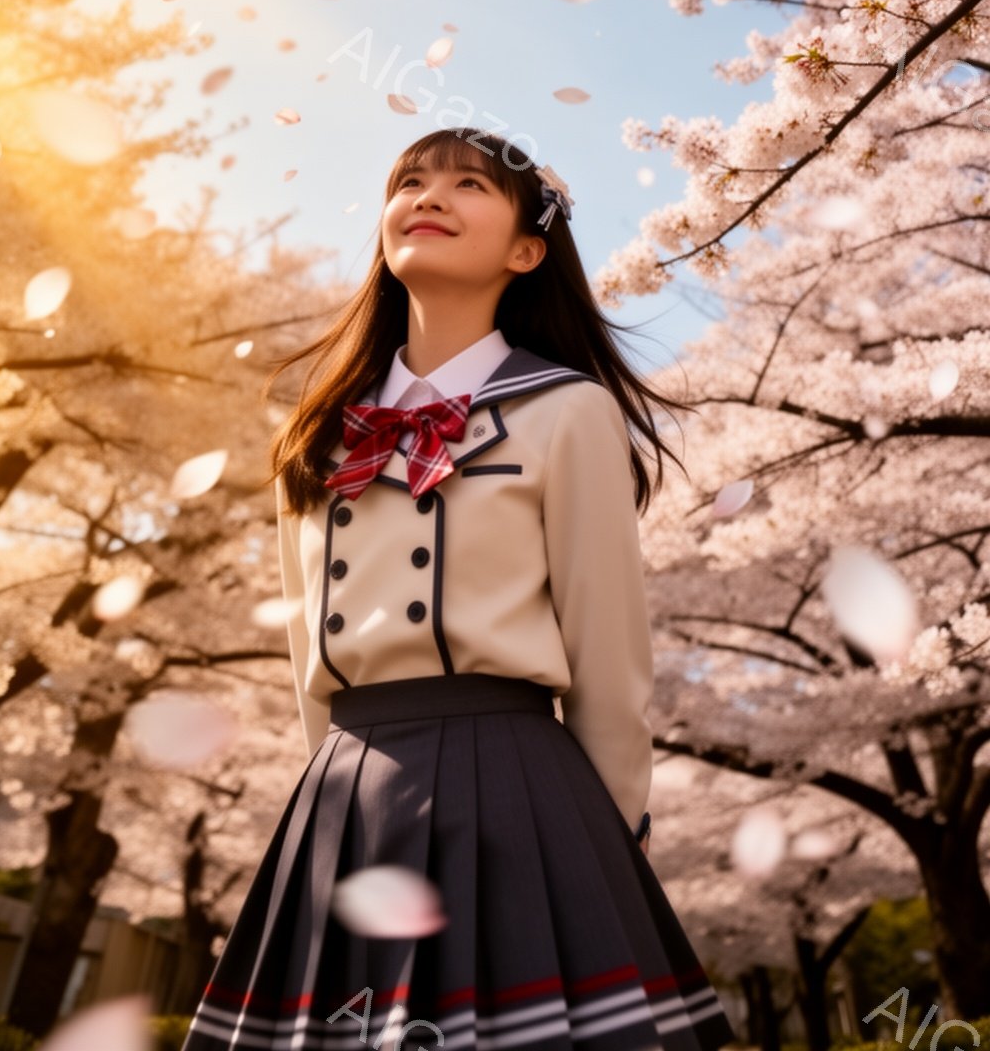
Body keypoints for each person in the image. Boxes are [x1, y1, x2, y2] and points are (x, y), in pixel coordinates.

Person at [183, 128, 737, 1051]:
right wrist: (332, 803)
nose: (428, 196)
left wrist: (602, 846)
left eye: (469, 184)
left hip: (512, 787)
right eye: (409, 180)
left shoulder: (568, 409)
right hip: (346, 789)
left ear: (527, 252)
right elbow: (309, 658)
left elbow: (607, 659)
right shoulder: (318, 435)